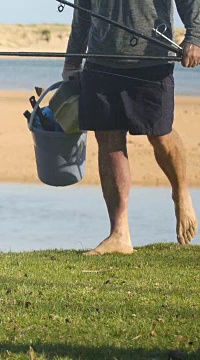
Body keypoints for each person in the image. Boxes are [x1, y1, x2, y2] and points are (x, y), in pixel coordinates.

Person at [62, 0, 200, 255]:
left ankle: (180, 192)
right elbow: (82, 11)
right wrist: (72, 59)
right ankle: (119, 234)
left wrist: (195, 36)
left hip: (151, 59)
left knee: (159, 133)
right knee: (108, 138)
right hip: (101, 59)